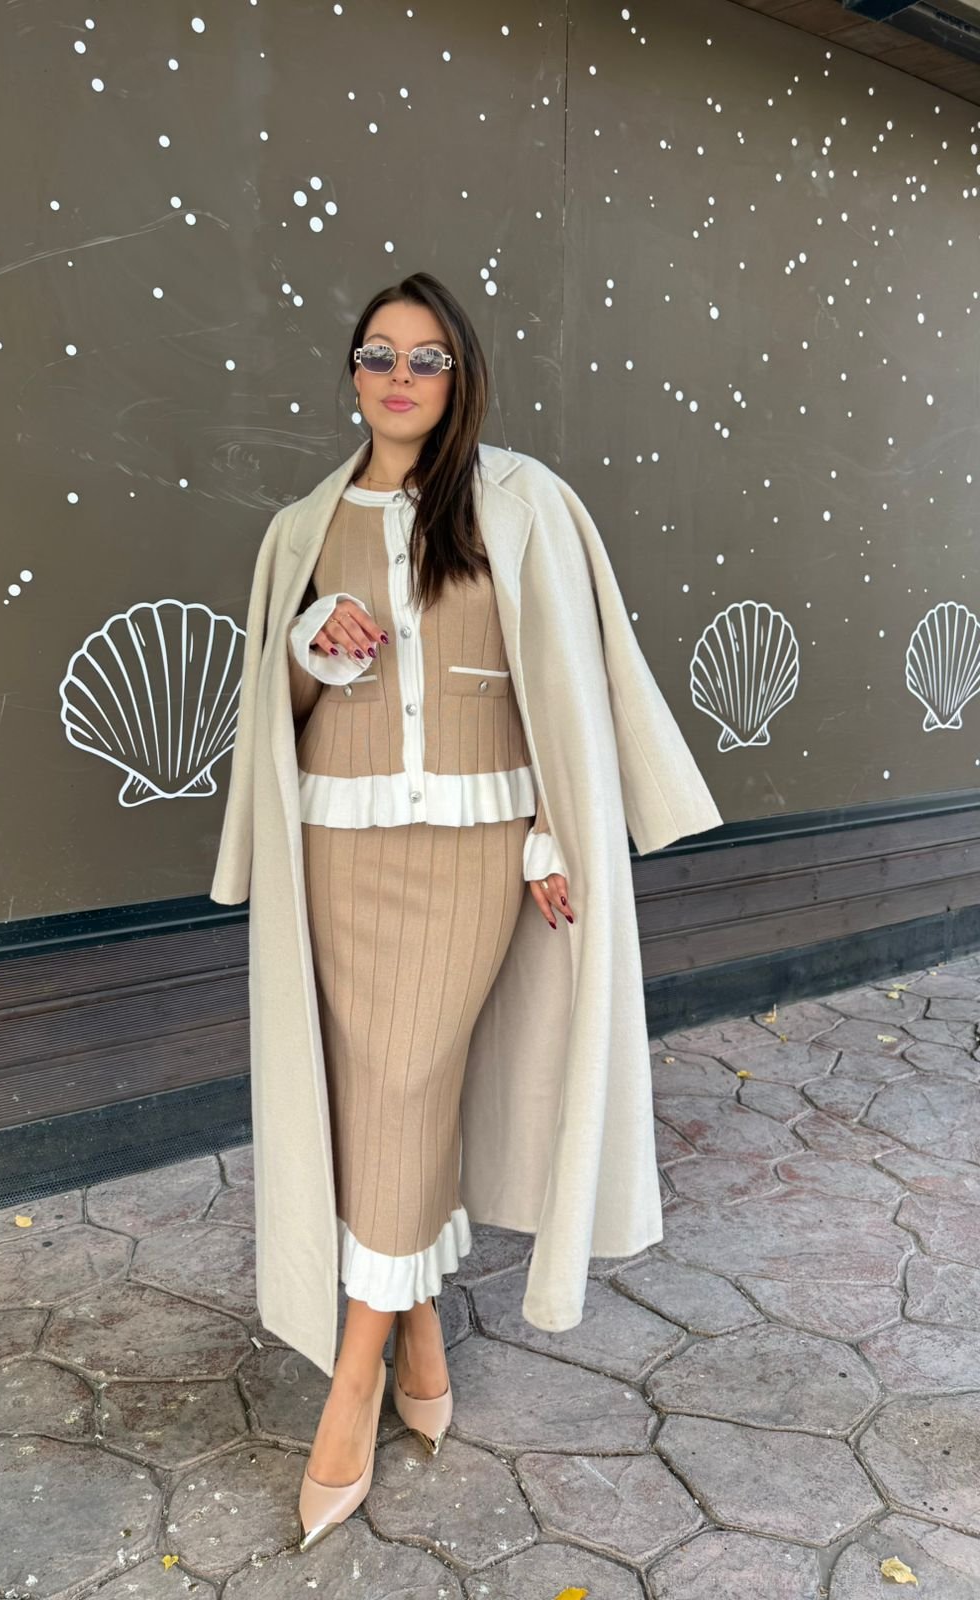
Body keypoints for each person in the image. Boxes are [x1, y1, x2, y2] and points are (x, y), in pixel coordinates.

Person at [210, 270, 724, 1552]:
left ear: (461, 375)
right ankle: (420, 1324)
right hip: (337, 854)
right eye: (377, 354)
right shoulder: (300, 526)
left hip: (474, 856)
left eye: (425, 357)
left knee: (404, 1080)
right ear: (352, 372)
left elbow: (567, 686)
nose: (399, 377)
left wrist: (555, 829)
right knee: (381, 1098)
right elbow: (273, 717)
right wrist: (310, 649)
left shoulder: (523, 502)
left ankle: (352, 1382)